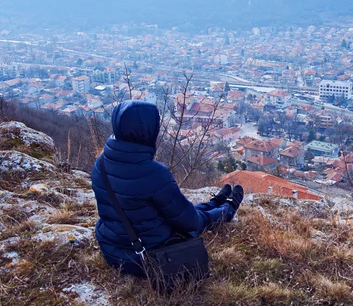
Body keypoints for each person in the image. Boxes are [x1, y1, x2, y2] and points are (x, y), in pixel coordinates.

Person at [91, 100, 244, 276]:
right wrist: (222, 211)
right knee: (193, 220)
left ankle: (215, 201)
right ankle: (228, 208)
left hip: (111, 249)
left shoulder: (101, 162)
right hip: (145, 257)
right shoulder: (154, 173)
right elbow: (190, 222)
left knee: (181, 211)